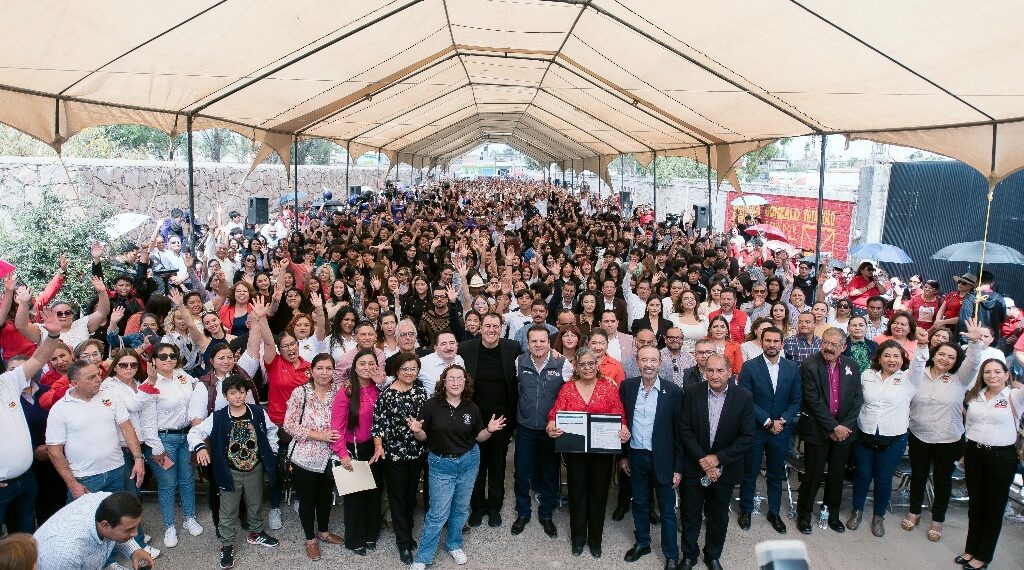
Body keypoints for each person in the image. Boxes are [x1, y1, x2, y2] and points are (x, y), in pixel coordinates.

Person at [408, 365, 506, 570]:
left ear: (465, 382)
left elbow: (478, 437)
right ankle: (423, 557)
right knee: (437, 514)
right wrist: (417, 431)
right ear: (444, 382)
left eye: (459, 378)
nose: (455, 382)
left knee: (461, 508)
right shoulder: (431, 405)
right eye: (451, 379)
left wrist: (489, 430)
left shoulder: (472, 407)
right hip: (441, 464)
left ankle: (454, 544)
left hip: (469, 462)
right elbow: (423, 437)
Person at [902, 319, 985, 542]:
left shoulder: (960, 379)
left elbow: (973, 364)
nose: (945, 359)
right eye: (941, 354)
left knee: (942, 480)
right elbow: (917, 363)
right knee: (918, 476)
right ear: (933, 353)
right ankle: (914, 512)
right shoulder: (919, 373)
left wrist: (975, 343)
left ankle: (937, 520)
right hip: (919, 435)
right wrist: (921, 345)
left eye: (951, 357)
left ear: (956, 361)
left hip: (949, 438)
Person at [189, 375, 281, 569]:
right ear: (225, 395)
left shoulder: (258, 412)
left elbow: (272, 431)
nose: (237, 396)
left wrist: (271, 452)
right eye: (233, 393)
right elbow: (195, 432)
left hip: (255, 468)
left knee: (255, 503)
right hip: (229, 471)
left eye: (241, 392)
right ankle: (227, 545)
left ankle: (256, 533)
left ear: (246, 393)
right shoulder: (218, 417)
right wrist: (200, 447)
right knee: (228, 510)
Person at [546, 348, 629, 559]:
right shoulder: (568, 388)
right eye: (582, 364)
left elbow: (619, 415)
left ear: (597, 365)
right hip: (575, 453)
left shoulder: (608, 388)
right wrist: (551, 426)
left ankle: (595, 540)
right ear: (576, 366)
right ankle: (578, 538)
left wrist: (624, 430)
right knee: (577, 493)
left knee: (599, 495)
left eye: (591, 363)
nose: (587, 368)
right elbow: (555, 414)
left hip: (602, 452)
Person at [678, 353, 754, 570]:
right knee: (690, 514)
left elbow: (746, 436)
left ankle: (712, 555)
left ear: (730, 372)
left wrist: (718, 459)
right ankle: (689, 555)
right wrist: (703, 459)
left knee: (718, 515)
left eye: (720, 370)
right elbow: (685, 429)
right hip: (695, 465)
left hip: (725, 468)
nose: (715, 375)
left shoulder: (744, 397)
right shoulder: (692, 393)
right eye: (710, 370)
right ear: (704, 372)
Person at [847, 338, 927, 537]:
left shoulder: (909, 378)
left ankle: (878, 516)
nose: (892, 360)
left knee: (883, 478)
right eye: (887, 355)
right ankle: (857, 511)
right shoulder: (867, 375)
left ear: (902, 359)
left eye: (896, 356)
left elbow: (919, 364)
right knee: (862, 475)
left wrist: (923, 346)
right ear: (879, 358)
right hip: (865, 433)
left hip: (894, 438)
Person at [0, 307, 64, 534]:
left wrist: (53, 335)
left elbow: (38, 358)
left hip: (26, 481)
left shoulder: (8, 382)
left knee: (24, 539)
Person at [795, 327, 864, 534]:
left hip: (844, 432)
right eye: (826, 342)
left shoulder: (852, 365)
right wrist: (833, 427)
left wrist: (844, 427)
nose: (829, 347)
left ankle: (832, 514)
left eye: (834, 344)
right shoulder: (809, 365)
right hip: (818, 430)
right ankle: (804, 515)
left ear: (843, 347)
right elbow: (812, 401)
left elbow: (857, 398)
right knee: (813, 475)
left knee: (836, 475)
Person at [620, 345, 684, 568]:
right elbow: (623, 422)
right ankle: (642, 542)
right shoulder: (627, 387)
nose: (648, 365)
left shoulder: (673, 391)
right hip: (636, 455)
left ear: (660, 363)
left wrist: (678, 467)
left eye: (653, 360)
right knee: (639, 502)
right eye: (644, 360)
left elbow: (679, 432)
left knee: (667, 510)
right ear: (637, 362)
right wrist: (623, 456)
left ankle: (671, 554)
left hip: (664, 458)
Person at [957, 359, 1023, 570]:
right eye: (987, 372)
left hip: (1001, 457)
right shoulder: (975, 396)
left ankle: (983, 556)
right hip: (974, 453)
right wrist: (966, 454)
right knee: (976, 505)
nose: (992, 375)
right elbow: (970, 425)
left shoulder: (1015, 396)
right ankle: (970, 549)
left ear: (1006, 375)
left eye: (997, 371)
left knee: (993, 508)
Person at [457, 312, 521, 528]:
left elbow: (532, 357)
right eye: (487, 326)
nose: (491, 330)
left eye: (495, 326)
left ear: (501, 328)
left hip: (502, 416)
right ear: (480, 328)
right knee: (476, 464)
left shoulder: (512, 348)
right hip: (474, 417)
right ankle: (477, 507)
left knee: (497, 464)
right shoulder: (466, 348)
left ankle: (494, 507)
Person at [738, 327, 801, 534]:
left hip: (781, 430)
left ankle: (774, 512)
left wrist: (782, 421)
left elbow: (796, 401)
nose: (772, 345)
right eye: (768, 340)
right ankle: (746, 510)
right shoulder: (749, 367)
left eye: (776, 341)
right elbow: (746, 399)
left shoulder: (792, 368)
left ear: (782, 343)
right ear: (761, 342)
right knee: (750, 473)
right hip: (756, 429)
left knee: (776, 474)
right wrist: (767, 421)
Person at [511, 325, 572, 538]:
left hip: (550, 430)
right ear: (528, 344)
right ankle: (523, 513)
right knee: (521, 473)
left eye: (542, 341)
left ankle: (546, 514)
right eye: (534, 341)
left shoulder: (562, 364)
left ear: (549, 343)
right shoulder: (519, 362)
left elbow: (572, 391)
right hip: (525, 428)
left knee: (550, 473)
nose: (538, 345)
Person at [283, 353, 344, 560]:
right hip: (304, 457)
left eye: (328, 368)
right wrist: (320, 435)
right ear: (311, 371)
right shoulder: (301, 392)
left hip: (330, 456)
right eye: (320, 368)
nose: (324, 373)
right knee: (307, 499)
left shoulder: (339, 391)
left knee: (326, 496)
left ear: (334, 371)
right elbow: (289, 425)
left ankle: (324, 532)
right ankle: (310, 540)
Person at [145, 342, 204, 547]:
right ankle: (169, 526)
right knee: (168, 485)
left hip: (186, 436)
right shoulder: (150, 383)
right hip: (164, 440)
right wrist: (155, 447)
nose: (168, 359)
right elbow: (147, 420)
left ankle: (189, 518)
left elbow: (198, 387)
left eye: (172, 355)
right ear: (153, 361)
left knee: (188, 480)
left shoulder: (182, 375)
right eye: (163, 356)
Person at [371, 352, 428, 565]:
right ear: (396, 371)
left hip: (417, 452)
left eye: (413, 369)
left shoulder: (420, 391)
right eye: (405, 368)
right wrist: (378, 446)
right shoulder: (387, 395)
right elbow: (378, 425)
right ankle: (403, 543)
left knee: (410, 496)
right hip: (395, 454)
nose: (409, 372)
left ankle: (408, 533)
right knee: (398, 498)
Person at [331, 349, 386, 556]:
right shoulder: (345, 392)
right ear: (354, 367)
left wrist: (382, 383)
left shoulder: (379, 389)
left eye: (371, 363)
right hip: (353, 449)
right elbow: (336, 427)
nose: (366, 367)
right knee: (355, 497)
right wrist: (342, 454)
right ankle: (355, 540)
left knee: (373, 493)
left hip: (375, 448)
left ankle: (371, 534)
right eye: (362, 363)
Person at [34, 492, 154, 570]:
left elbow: (118, 530)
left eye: (136, 526)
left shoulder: (108, 502)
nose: (136, 534)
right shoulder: (67, 554)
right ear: (104, 525)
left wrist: (134, 551)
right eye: (129, 530)